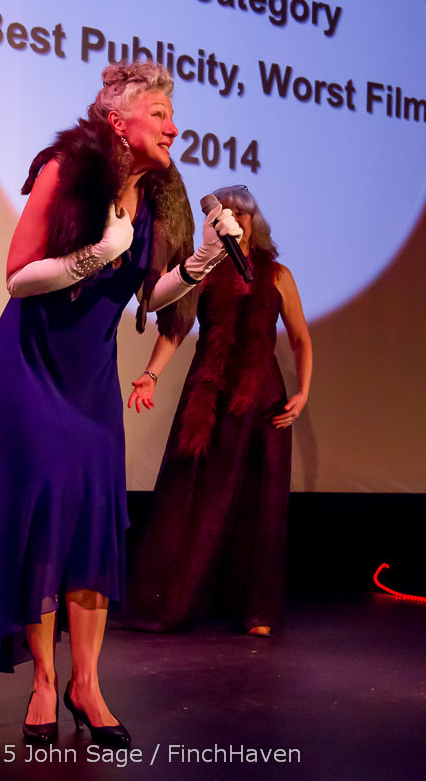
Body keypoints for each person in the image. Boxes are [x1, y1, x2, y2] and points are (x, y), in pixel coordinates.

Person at [0, 61, 241, 746]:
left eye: (172, 115)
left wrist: (202, 260)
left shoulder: (158, 195)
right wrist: (99, 251)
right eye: (159, 115)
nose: (174, 128)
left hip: (89, 380)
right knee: (42, 519)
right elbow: (18, 277)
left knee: (90, 521)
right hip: (31, 370)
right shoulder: (65, 171)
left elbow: (147, 294)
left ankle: (85, 684)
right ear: (117, 121)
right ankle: (43, 683)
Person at [127, 184, 312, 636]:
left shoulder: (278, 275)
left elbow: (301, 339)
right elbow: (174, 329)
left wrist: (303, 392)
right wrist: (150, 374)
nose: (235, 220)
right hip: (207, 399)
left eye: (242, 213)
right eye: (225, 213)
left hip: (262, 398)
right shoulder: (205, 270)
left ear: (254, 221)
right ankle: (173, 604)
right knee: (191, 497)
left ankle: (256, 611)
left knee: (259, 502)